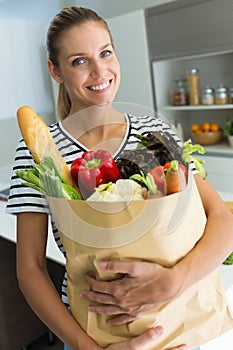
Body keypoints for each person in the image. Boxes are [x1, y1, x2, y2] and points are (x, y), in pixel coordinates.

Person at [6, 6, 233, 350]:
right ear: (55, 70)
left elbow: (221, 218)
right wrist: (86, 347)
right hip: (94, 335)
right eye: (79, 61)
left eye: (105, 53)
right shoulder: (39, 153)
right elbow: (32, 268)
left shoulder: (154, 132)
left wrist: (173, 282)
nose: (100, 71)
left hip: (180, 321)